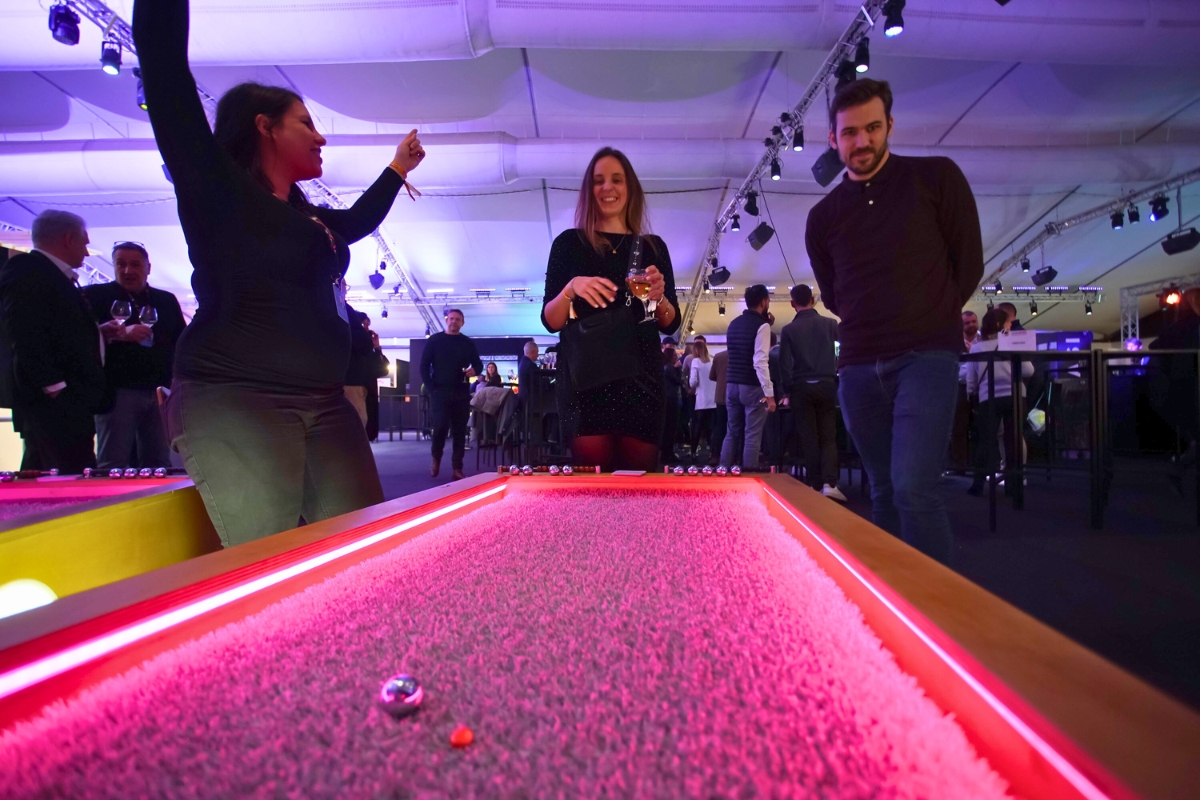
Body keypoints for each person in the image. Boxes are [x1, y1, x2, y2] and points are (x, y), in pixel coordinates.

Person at [134, 0, 425, 546]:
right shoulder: (217, 190)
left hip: (323, 401)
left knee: (366, 548)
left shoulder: (305, 216)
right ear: (264, 127)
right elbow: (164, 64)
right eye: (307, 123)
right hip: (238, 399)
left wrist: (396, 168)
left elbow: (356, 222)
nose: (321, 137)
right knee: (265, 555)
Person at [806, 79, 983, 564]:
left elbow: (968, 263)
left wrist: (931, 315)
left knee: (913, 488)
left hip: (926, 357)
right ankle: (887, 599)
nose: (862, 141)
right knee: (882, 490)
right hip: (859, 367)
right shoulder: (823, 217)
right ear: (833, 138)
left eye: (872, 128)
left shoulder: (936, 178)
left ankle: (934, 606)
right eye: (850, 132)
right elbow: (835, 293)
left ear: (889, 126)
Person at [541, 147, 681, 472]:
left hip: (642, 379)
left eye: (617, 179)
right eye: (599, 180)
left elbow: (670, 323)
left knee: (640, 487)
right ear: (589, 190)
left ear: (629, 188)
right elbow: (550, 321)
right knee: (591, 489)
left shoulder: (653, 247)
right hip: (586, 383)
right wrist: (571, 288)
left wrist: (659, 297)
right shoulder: (568, 244)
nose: (608, 187)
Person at [0, 210, 108, 473]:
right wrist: (55, 387)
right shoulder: (28, 270)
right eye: (84, 243)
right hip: (53, 402)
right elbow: (25, 332)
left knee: (60, 468)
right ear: (69, 239)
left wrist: (99, 333)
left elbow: (56, 328)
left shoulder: (51, 274)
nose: (86, 252)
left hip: (68, 400)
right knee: (63, 473)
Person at [83, 242, 186, 470]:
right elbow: (80, 339)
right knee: (113, 463)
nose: (127, 270)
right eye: (121, 264)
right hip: (117, 392)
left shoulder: (165, 300)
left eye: (135, 264)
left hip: (159, 392)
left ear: (148, 268)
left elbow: (180, 342)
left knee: (159, 464)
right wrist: (110, 335)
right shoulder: (96, 296)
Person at [779, 284, 844, 501]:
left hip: (801, 387)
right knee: (828, 436)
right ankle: (830, 483)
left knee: (809, 437)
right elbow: (842, 350)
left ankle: (815, 484)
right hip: (827, 383)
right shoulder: (831, 324)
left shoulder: (788, 330)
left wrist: (786, 390)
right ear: (813, 300)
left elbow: (785, 364)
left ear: (792, 303)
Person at [964, 309, 1034, 496]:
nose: (1010, 325)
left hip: (988, 398)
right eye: (1008, 322)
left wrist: (972, 395)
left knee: (985, 442)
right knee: (1013, 442)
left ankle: (978, 484)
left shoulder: (977, 348)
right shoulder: (1012, 344)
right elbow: (1029, 371)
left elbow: (971, 380)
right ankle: (1013, 486)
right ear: (1000, 325)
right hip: (1015, 396)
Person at [421, 309, 482, 481]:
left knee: (459, 431)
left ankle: (457, 468)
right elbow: (424, 366)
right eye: (452, 318)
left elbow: (478, 364)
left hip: (461, 392)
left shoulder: (467, 343)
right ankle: (436, 458)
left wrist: (474, 370)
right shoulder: (435, 340)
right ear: (447, 320)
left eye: (458, 319)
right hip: (440, 392)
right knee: (440, 426)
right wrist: (431, 388)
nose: (454, 321)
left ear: (463, 323)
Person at [720, 285, 776, 471]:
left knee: (731, 432)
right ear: (763, 302)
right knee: (752, 434)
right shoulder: (762, 326)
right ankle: (749, 476)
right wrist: (769, 394)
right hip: (752, 386)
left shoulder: (733, 323)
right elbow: (760, 362)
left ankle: (723, 471)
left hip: (731, 384)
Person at [343, 305, 388, 429]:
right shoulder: (353, 346)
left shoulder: (367, 349)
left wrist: (377, 348)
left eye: (368, 325)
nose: (366, 328)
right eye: (363, 325)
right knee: (357, 424)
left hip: (367, 393)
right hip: (355, 388)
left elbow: (382, 370)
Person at [688, 336, 716, 460]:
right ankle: (712, 452)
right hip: (713, 400)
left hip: (701, 400)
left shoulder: (695, 362)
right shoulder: (712, 361)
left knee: (697, 427)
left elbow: (693, 382)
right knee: (711, 428)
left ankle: (693, 452)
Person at [661, 347, 686, 463]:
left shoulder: (665, 368)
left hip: (669, 399)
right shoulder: (670, 368)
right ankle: (668, 454)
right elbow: (679, 381)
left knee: (669, 428)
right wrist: (679, 369)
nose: (677, 357)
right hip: (672, 399)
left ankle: (666, 453)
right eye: (675, 355)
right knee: (671, 427)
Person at [708, 348, 729, 466]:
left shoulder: (718, 356)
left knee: (719, 426)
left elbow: (712, 376)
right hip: (736, 397)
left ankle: (715, 455)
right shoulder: (743, 355)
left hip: (721, 395)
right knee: (735, 427)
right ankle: (734, 456)